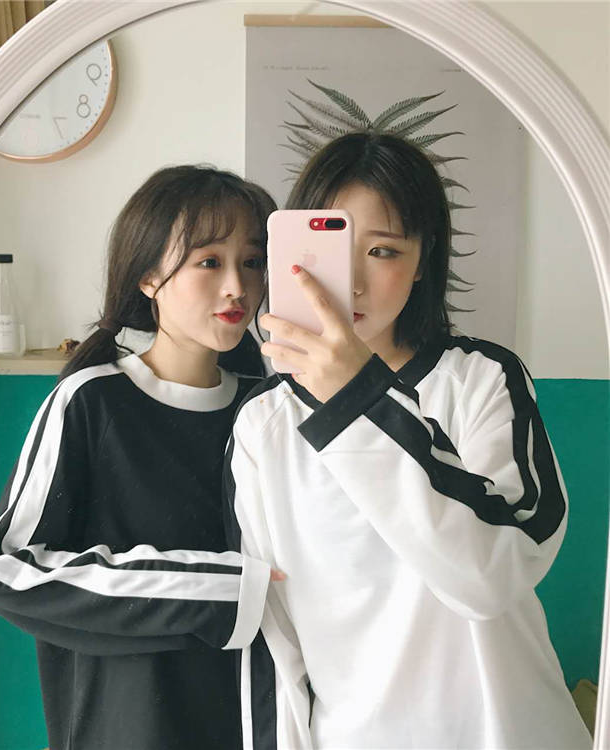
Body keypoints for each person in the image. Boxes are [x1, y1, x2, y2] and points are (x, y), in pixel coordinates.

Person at [225, 132, 593, 749]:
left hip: (505, 732)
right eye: (330, 249)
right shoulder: (264, 423)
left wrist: (356, 398)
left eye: (383, 251)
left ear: (424, 262)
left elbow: (492, 574)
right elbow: (278, 643)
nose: (353, 282)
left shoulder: (482, 379)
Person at [0, 165, 280, 750]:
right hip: (130, 727)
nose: (237, 287)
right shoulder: (92, 401)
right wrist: (225, 591)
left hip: (256, 721)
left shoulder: (268, 406)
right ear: (148, 276)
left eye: (252, 261)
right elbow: (8, 572)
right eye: (208, 262)